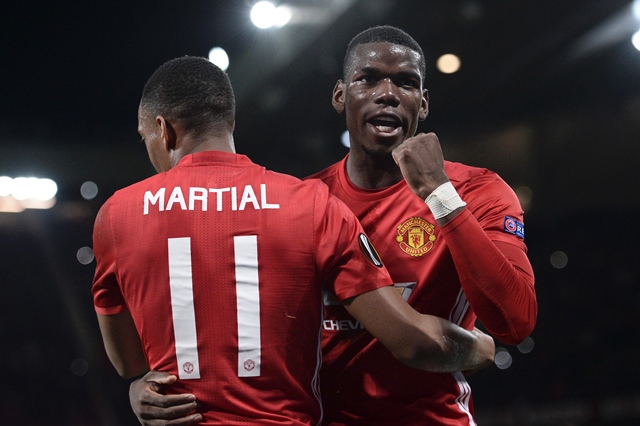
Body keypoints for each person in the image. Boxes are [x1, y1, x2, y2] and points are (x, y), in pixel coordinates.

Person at [129, 25, 537, 425]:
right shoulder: (299, 203)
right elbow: (234, 331)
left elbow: (514, 323)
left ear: (423, 103)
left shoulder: (477, 191)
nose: (388, 94)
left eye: (406, 83)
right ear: (341, 96)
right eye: (368, 79)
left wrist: (438, 193)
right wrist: (145, 385)